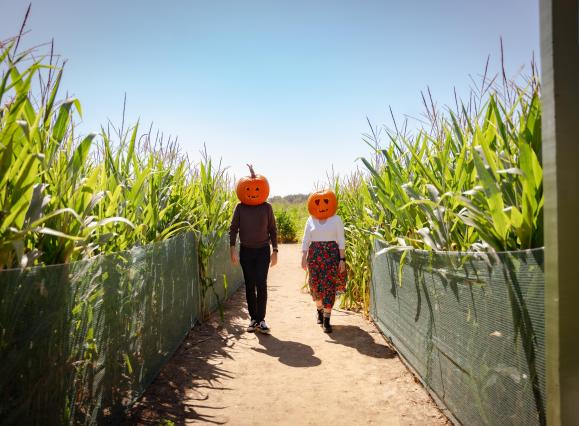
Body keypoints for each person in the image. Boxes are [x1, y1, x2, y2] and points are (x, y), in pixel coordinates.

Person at [230, 165, 278, 334]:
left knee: (261, 284)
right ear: (242, 189)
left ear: (263, 189)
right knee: (250, 285)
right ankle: (253, 319)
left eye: (257, 188)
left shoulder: (267, 208)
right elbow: (233, 228)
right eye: (249, 188)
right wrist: (233, 249)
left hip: (263, 251)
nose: (252, 191)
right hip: (246, 251)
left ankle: (262, 319)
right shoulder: (240, 208)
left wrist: (275, 251)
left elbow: (272, 229)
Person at [301, 190, 346, 333]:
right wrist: (303, 257)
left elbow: (341, 241)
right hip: (314, 256)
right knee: (315, 285)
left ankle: (327, 319)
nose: (321, 205)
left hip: (331, 255)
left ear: (332, 203)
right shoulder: (310, 219)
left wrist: (342, 259)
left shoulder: (336, 219)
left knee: (328, 286)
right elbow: (306, 239)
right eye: (317, 202)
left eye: (326, 201)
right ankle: (319, 310)